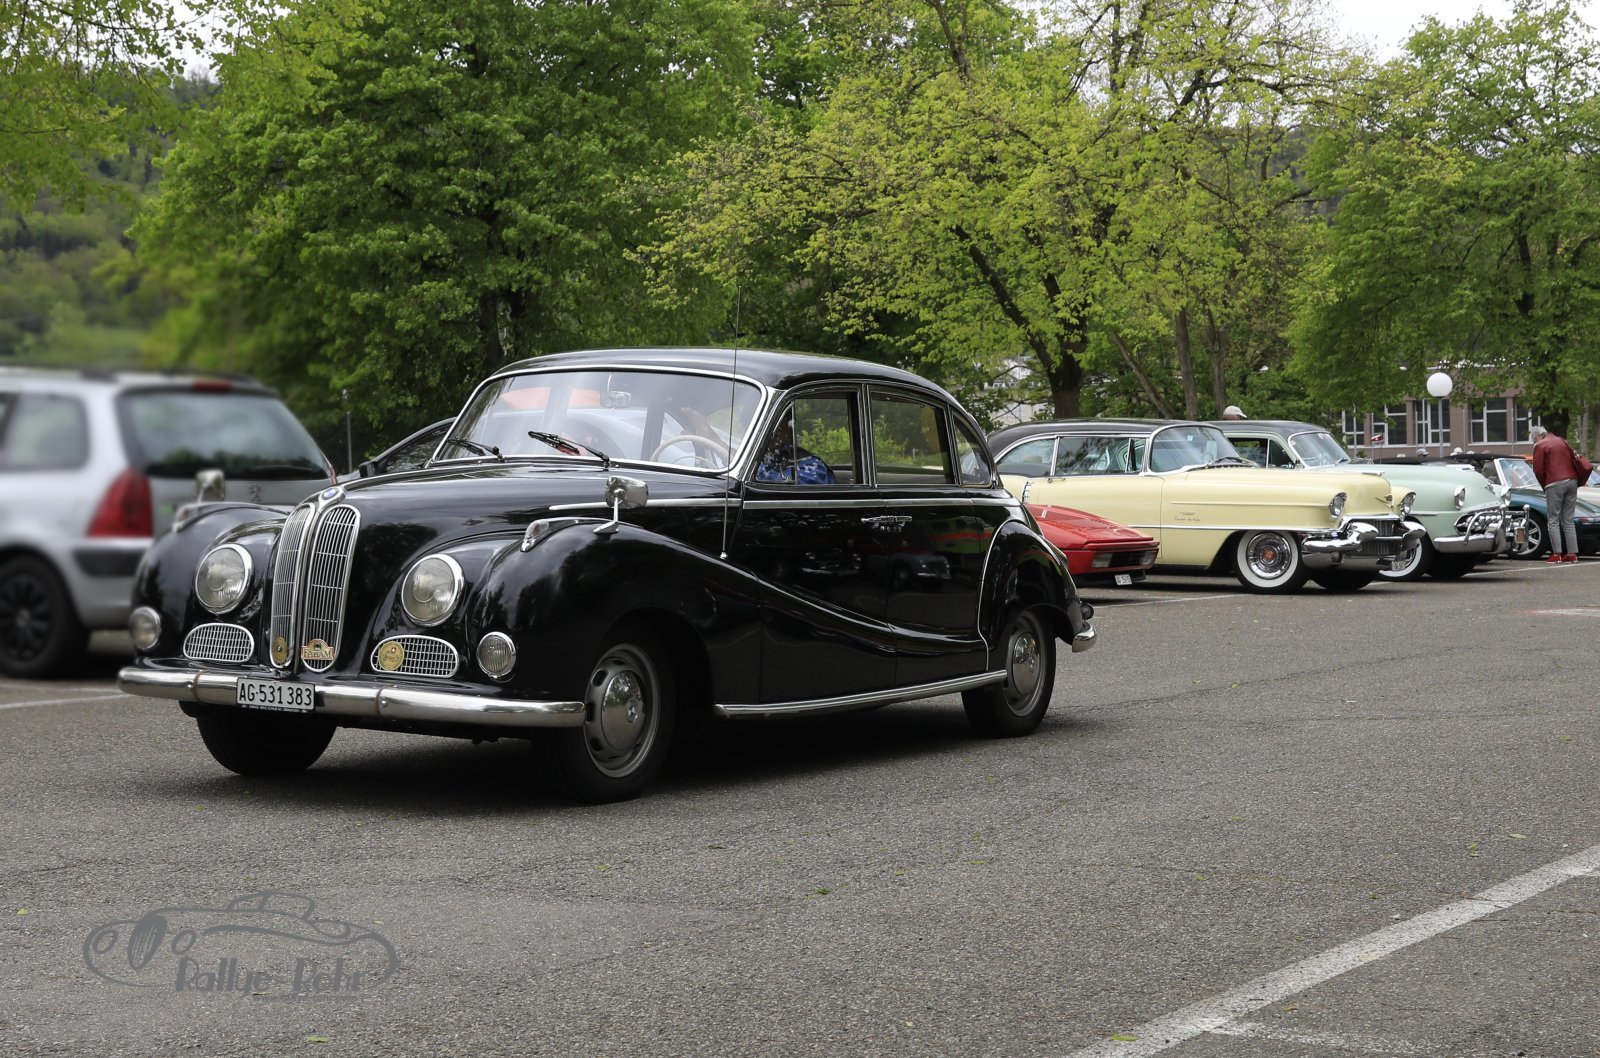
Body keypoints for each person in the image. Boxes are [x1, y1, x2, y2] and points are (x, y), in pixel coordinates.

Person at [1530, 422, 1581, 563]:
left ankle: (1557, 554)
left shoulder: (1540, 445)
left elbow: (1538, 470)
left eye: (1534, 440)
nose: (1534, 442)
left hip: (1555, 483)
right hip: (1572, 481)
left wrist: (1544, 485)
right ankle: (1572, 553)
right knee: (1568, 519)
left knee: (1553, 520)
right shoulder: (1561, 440)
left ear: (1537, 437)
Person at [755, 417, 835, 484]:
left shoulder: (810, 463)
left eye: (773, 425)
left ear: (785, 427)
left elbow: (790, 488)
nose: (766, 431)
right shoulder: (759, 457)